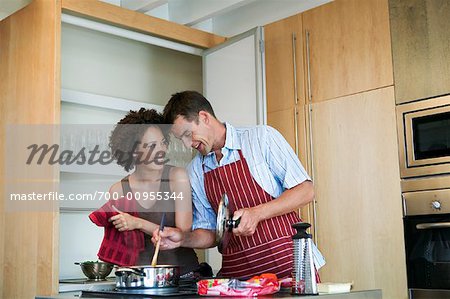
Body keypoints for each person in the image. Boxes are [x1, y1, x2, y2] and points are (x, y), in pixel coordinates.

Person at [153, 91, 323, 278]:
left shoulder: (260, 138)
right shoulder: (195, 170)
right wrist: (182, 239)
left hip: (287, 264)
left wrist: (257, 213)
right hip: (238, 275)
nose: (187, 144)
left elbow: (306, 190)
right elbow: (210, 232)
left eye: (188, 134)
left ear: (204, 117)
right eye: (181, 139)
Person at [91, 108, 200, 275]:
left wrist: (138, 223)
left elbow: (183, 233)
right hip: (141, 278)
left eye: (163, 142)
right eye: (151, 146)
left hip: (183, 277)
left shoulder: (177, 177)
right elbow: (122, 244)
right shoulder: (119, 190)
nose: (161, 151)